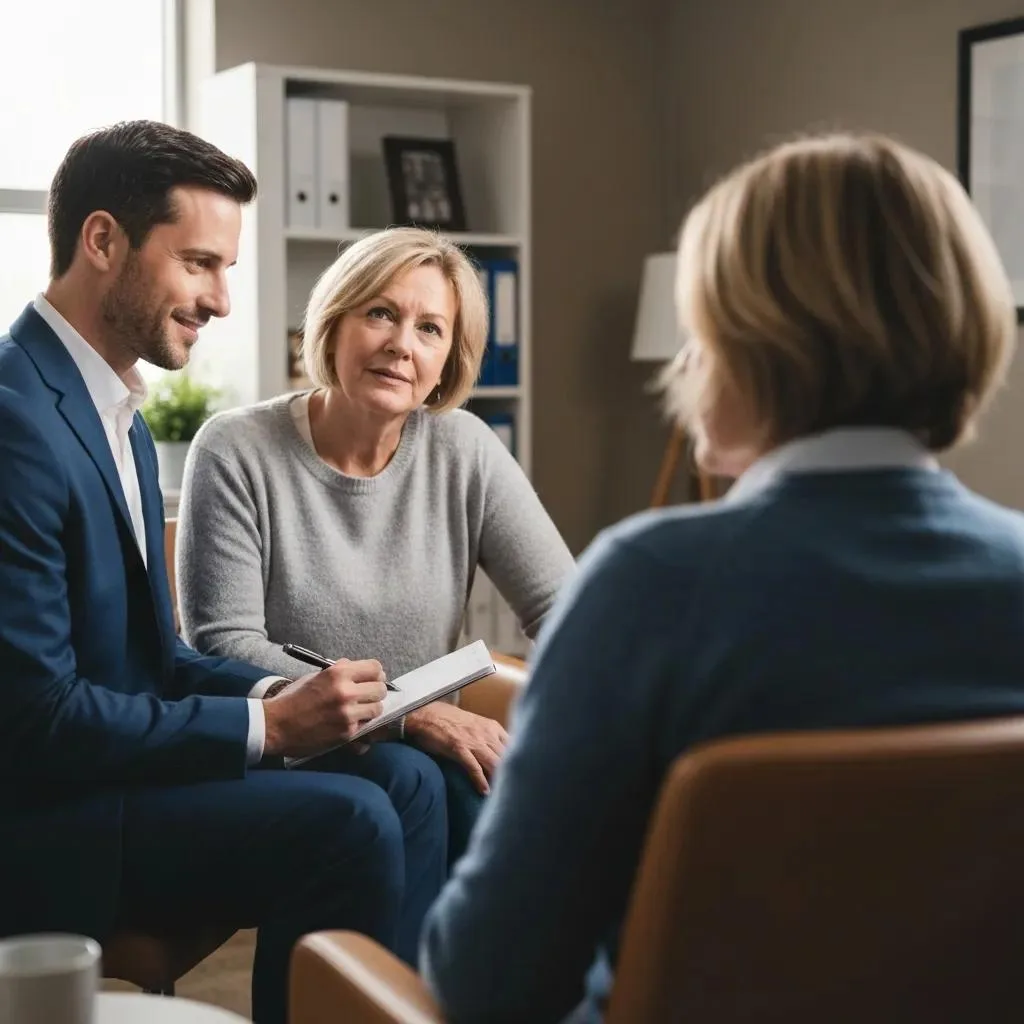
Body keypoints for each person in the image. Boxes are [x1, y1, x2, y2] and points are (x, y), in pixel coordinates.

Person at [419, 132, 1024, 1022]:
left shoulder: (649, 586)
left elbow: (489, 980)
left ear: (753, 343)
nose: (684, 364)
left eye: (698, 327)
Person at [0, 121, 448, 1024]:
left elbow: (155, 656)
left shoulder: (114, 410)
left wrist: (319, 697)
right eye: (200, 263)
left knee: (407, 776)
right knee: (349, 825)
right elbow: (36, 722)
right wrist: (267, 729)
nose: (224, 300)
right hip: (53, 822)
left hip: (119, 778)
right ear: (102, 241)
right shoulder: (15, 420)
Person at [177, 226, 575, 865]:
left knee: (484, 790)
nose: (401, 346)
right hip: (287, 745)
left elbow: (564, 610)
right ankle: (353, 970)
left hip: (427, 752)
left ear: (450, 358)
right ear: (334, 322)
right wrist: (408, 715)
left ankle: (436, 969)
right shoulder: (234, 449)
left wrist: (578, 718)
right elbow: (224, 644)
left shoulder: (465, 449)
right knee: (410, 778)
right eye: (381, 313)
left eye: (430, 329)